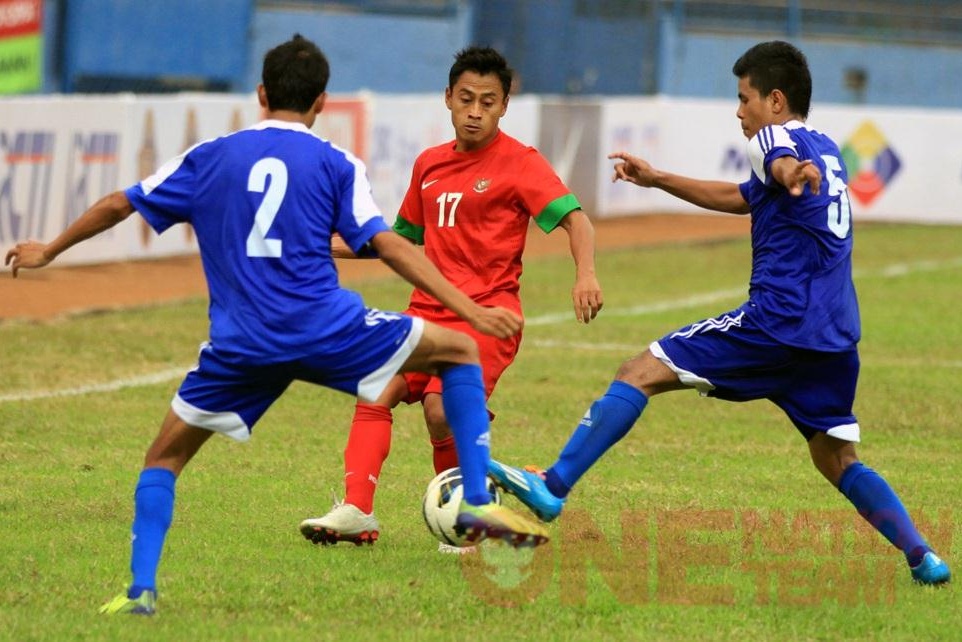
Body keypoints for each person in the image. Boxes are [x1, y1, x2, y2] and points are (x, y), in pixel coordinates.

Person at [4, 34, 549, 617]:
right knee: (459, 350)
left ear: (261, 93)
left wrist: (51, 250)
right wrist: (467, 310)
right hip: (327, 329)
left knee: (162, 460)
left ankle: (141, 590)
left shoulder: (211, 154)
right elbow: (389, 244)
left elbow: (119, 203)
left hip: (241, 343)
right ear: (322, 103)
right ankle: (472, 502)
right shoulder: (336, 162)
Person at [486, 40, 951, 586]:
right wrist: (659, 179)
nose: (739, 112)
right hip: (834, 337)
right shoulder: (826, 150)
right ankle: (923, 556)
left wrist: (784, 171)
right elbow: (744, 195)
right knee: (836, 460)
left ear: (775, 100)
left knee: (639, 371)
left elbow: (775, 163)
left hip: (776, 324)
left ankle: (554, 485)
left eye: (744, 98)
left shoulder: (776, 138)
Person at [298, 46, 603, 551]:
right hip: (427, 311)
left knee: (440, 409)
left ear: (505, 105)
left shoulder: (521, 163)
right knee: (377, 387)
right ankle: (357, 510)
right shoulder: (429, 165)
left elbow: (577, 219)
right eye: (466, 99)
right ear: (448, 99)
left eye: (488, 101)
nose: (476, 111)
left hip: (488, 315)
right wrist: (318, 244)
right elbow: (399, 241)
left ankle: (465, 518)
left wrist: (585, 274)